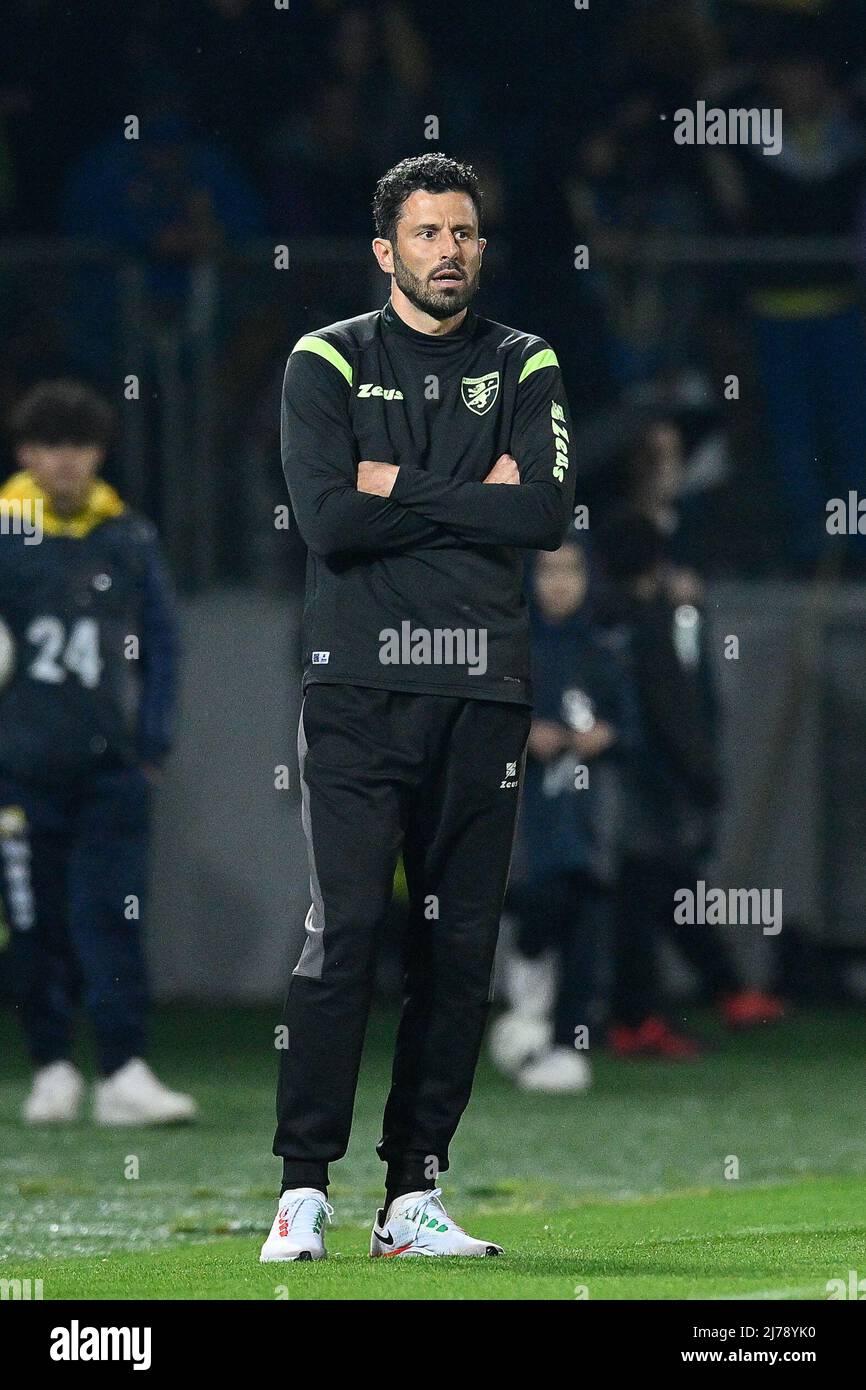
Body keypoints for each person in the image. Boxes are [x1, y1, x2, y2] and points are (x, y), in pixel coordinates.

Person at [261, 154, 575, 1262]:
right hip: (355, 687)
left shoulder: (522, 358)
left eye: (464, 233)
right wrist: (463, 499)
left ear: (481, 248)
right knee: (344, 931)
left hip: (484, 692)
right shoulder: (326, 358)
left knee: (461, 955)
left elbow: (541, 510)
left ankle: (411, 1197)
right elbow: (328, 522)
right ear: (385, 250)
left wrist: (393, 481)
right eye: (427, 233)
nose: (449, 249)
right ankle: (303, 1189)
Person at [0, 381, 197, 1126]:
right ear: (25, 454)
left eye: (80, 446)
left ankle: (124, 1071)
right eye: (51, 446)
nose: (66, 461)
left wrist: (151, 748)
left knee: (112, 917)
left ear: (99, 453)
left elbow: (163, 648)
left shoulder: (130, 538)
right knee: (33, 922)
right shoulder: (3, 533)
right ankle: (52, 1065)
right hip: (18, 770)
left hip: (110, 772)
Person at [594, 512, 784, 1057]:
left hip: (600, 783)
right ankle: (637, 1018)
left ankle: (702, 997)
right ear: (656, 562)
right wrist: (705, 778)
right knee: (647, 897)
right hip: (650, 785)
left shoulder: (597, 617)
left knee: (657, 893)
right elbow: (674, 708)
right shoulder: (652, 622)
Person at [490, 540, 637, 1094]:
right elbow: (478, 721)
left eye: (571, 570)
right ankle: (528, 1005)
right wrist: (523, 735)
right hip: (526, 812)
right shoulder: (512, 646)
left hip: (589, 811)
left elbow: (633, 729)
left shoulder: (602, 650)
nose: (559, 582)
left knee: (584, 921)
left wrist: (606, 736)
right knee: (537, 903)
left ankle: (565, 1040)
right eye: (548, 570)